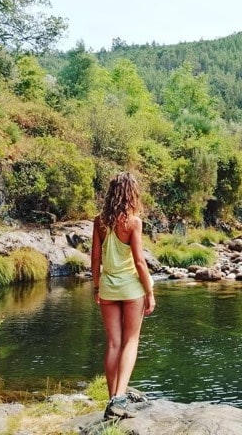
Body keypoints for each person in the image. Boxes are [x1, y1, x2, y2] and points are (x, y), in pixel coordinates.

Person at [91, 172, 156, 419]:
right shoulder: (133, 222)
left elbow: (95, 258)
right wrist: (149, 291)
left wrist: (97, 287)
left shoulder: (99, 221)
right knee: (130, 342)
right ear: (132, 194)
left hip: (107, 288)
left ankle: (112, 400)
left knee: (113, 344)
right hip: (131, 289)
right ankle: (119, 399)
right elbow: (139, 261)